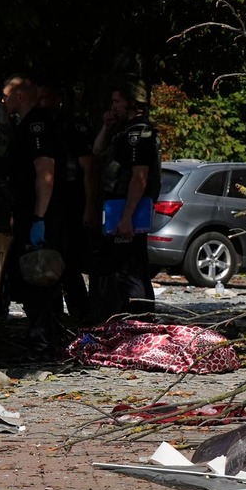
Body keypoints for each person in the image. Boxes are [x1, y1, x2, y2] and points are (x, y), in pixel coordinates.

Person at [0, 74, 63, 350]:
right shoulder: (23, 124)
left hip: (38, 211)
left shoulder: (37, 125)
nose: (3, 100)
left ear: (21, 96)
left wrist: (39, 217)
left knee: (40, 272)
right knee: (27, 275)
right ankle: (41, 331)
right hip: (25, 209)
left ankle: (44, 335)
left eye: (6, 95)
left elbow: (44, 172)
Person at [92, 80, 161, 318]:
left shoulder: (139, 132)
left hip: (126, 211)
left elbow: (139, 178)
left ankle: (140, 324)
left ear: (131, 102)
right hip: (115, 209)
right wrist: (106, 126)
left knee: (131, 272)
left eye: (117, 101)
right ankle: (123, 323)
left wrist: (127, 217)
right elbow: (97, 151)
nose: (114, 107)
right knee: (118, 271)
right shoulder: (123, 130)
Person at [37, 80, 97, 326]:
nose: (40, 103)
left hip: (70, 202)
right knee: (51, 264)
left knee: (69, 265)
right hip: (52, 204)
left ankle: (79, 316)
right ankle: (55, 319)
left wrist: (90, 206)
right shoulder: (39, 125)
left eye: (44, 97)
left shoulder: (71, 126)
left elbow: (89, 166)